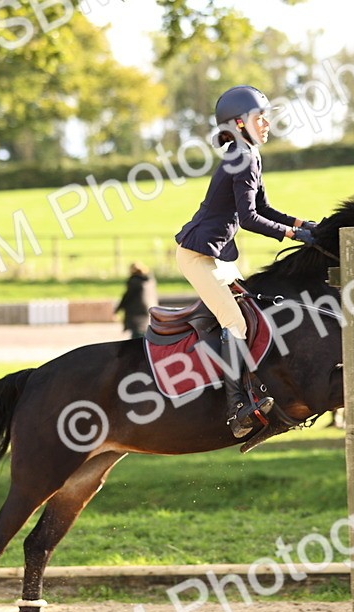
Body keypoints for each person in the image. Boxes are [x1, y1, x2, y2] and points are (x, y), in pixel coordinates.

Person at [174, 85, 316, 438]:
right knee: (235, 323)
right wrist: (294, 237)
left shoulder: (248, 152)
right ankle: (237, 408)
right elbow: (250, 218)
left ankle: (252, 387)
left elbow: (265, 209)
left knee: (254, 312)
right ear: (239, 123)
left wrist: (305, 224)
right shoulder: (243, 155)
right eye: (259, 118)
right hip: (197, 256)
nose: (267, 123)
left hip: (215, 254)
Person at [116, 262, 158, 339]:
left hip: (136, 312)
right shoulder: (150, 281)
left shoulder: (135, 282)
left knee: (137, 334)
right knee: (144, 332)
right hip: (149, 309)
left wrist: (117, 309)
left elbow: (127, 297)